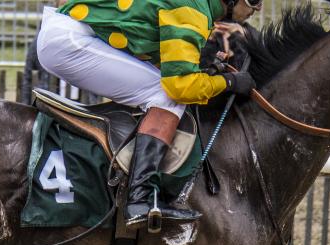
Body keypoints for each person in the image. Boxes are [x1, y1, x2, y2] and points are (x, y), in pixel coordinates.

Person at [35, 0, 260, 228]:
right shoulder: (193, 8)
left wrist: (207, 73)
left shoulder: (197, 6)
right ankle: (139, 199)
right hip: (70, 41)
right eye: (254, 1)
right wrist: (229, 82)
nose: (257, 9)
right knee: (167, 98)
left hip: (68, 35)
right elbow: (180, 87)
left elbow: (167, 63)